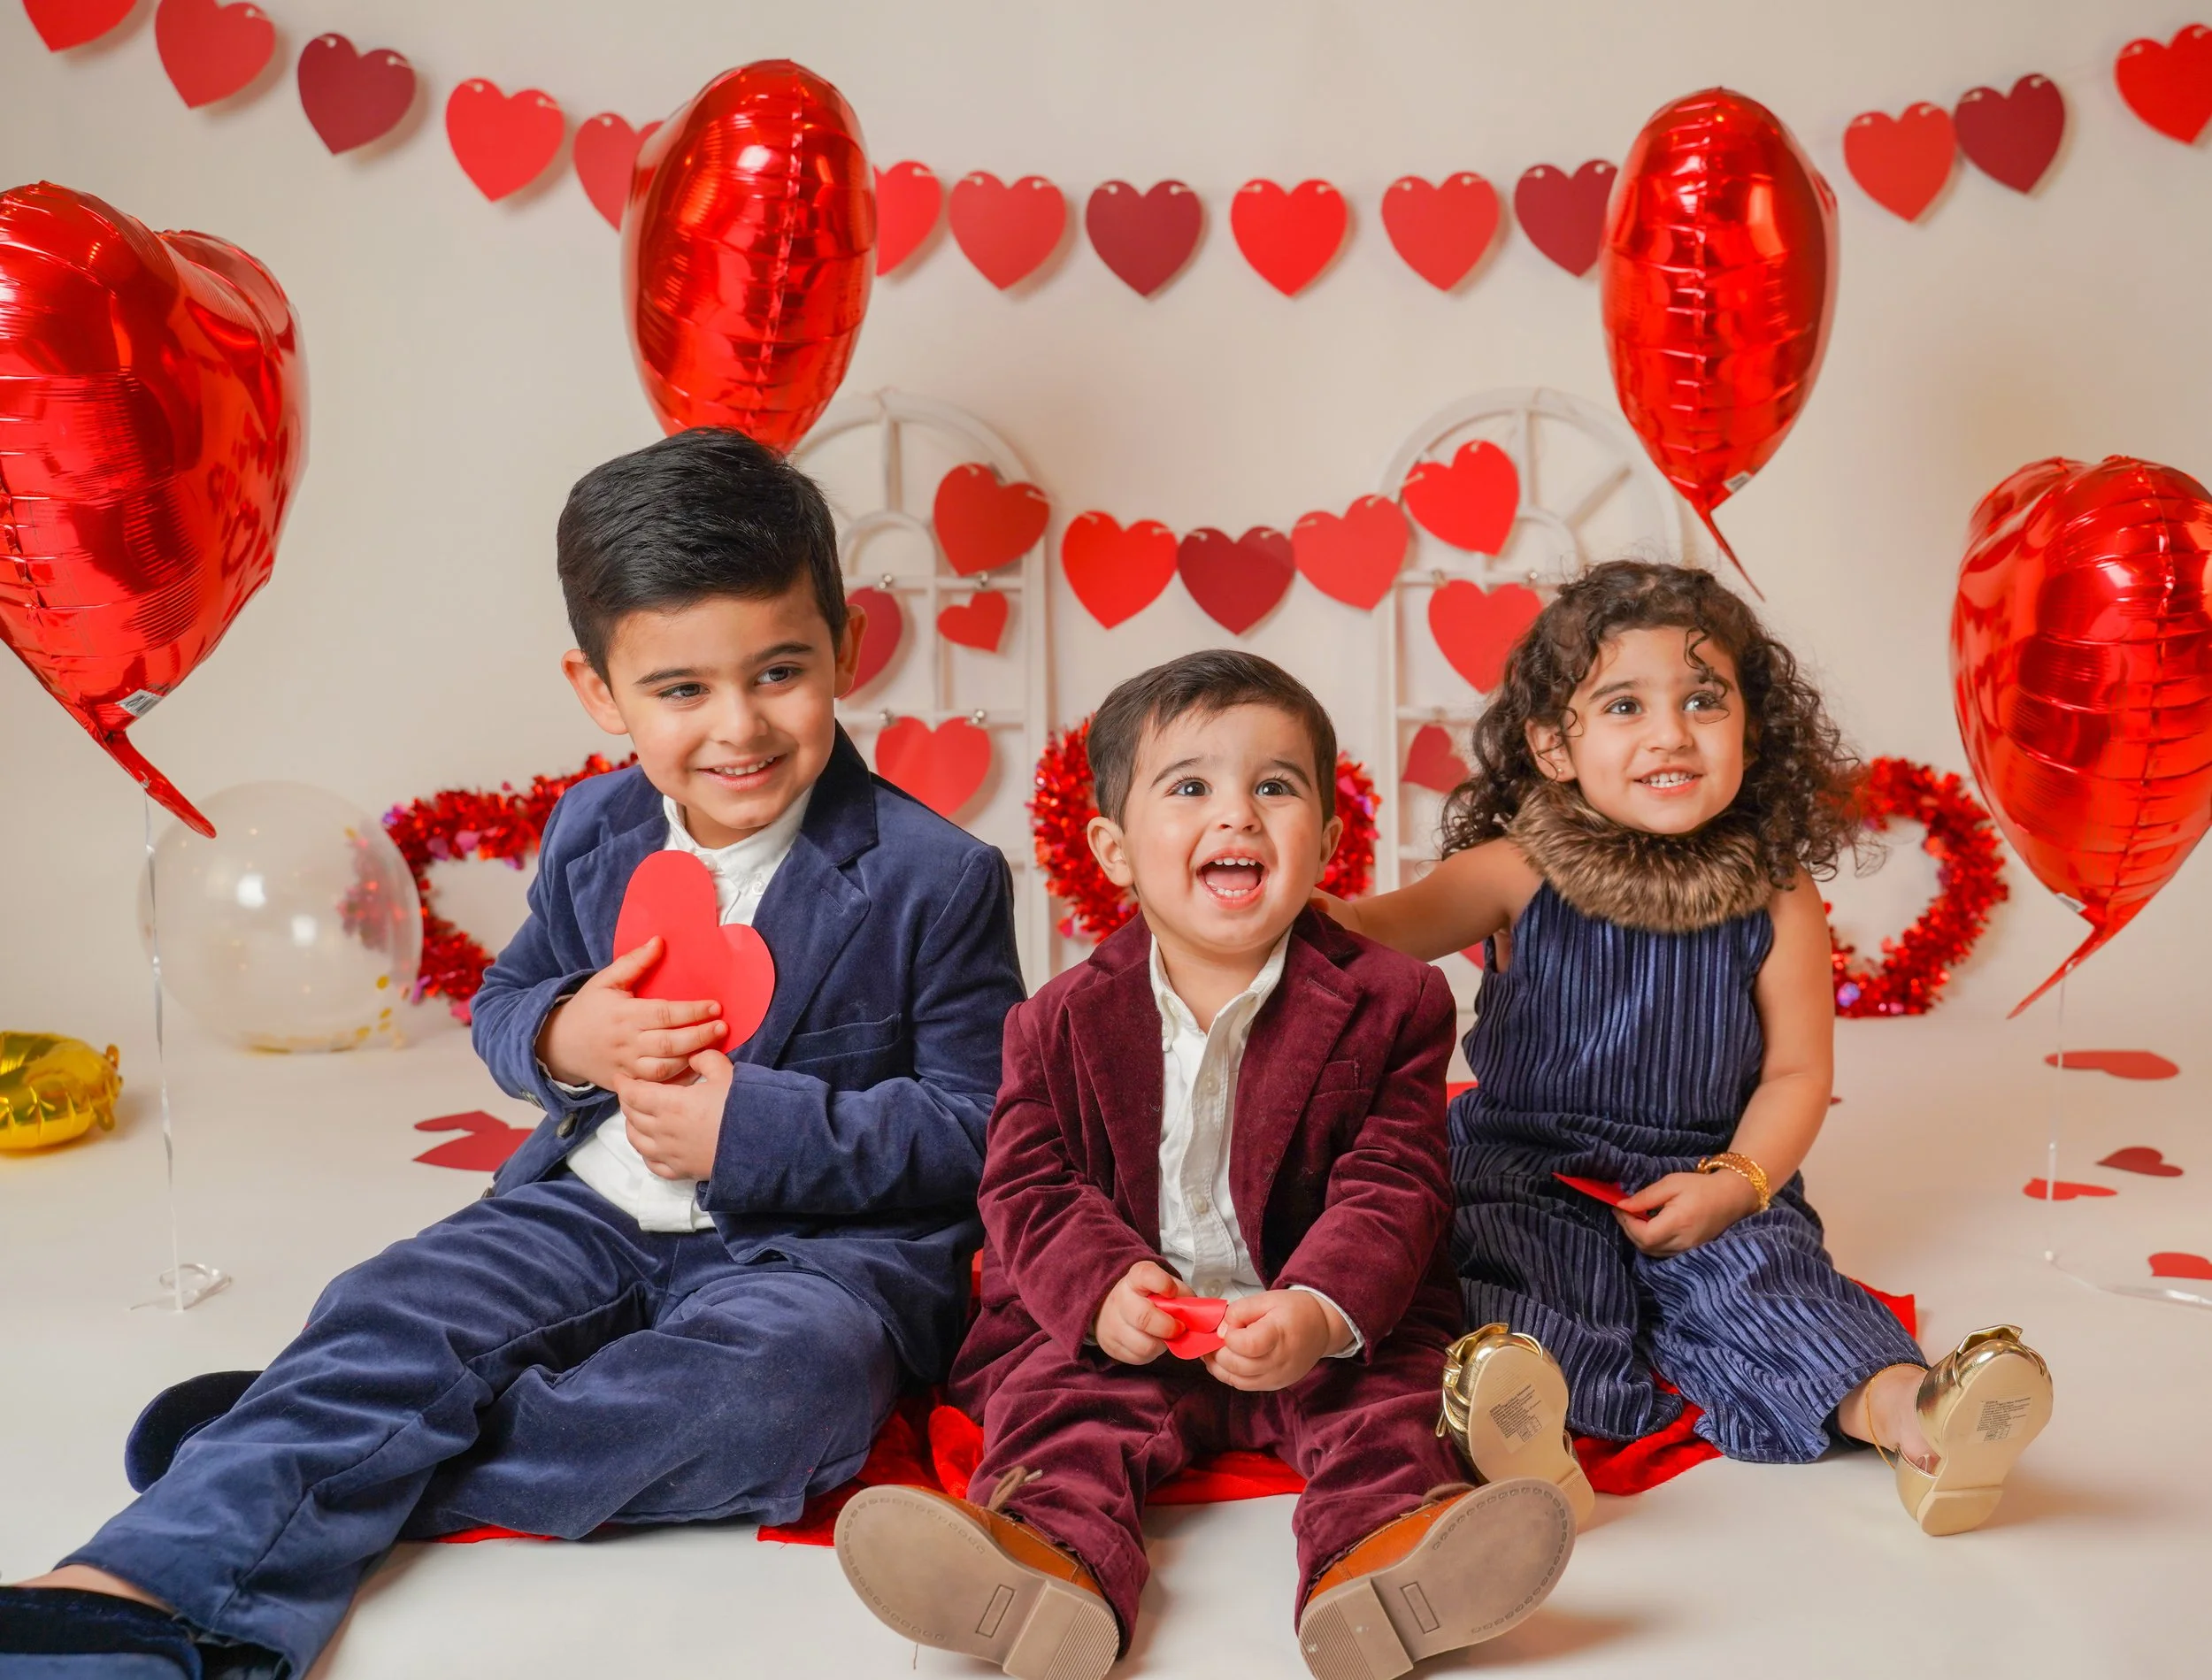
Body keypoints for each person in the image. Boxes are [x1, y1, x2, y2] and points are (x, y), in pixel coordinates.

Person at [0, 428, 1025, 1678]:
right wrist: (561, 1031)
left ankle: (330, 1453)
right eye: (681, 690)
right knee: (387, 1303)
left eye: (780, 671)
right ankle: (130, 1595)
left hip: (814, 1257)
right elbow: (506, 998)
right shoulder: (594, 827)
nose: (739, 725)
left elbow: (982, 1120)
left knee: (781, 1401)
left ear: (846, 648)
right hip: (586, 1208)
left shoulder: (938, 876)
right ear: (599, 691)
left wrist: (750, 1128)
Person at [833, 652, 1577, 1680]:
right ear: (1114, 849)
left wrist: (1317, 1308)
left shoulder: (1394, 1000)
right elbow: (1027, 1185)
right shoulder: (1055, 1022)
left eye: (1275, 787)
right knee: (1060, 1416)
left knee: (1386, 1415)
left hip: (1310, 1319)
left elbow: (1395, 1180)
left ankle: (1385, 1562)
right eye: (1189, 788)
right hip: (1128, 1330)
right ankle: (1043, 1568)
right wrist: (1102, 1290)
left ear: (1327, 839)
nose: (1237, 815)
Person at [1321, 559, 2052, 1537]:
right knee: (1513, 1284)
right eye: (1624, 705)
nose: (1671, 733)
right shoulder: (1515, 872)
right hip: (1526, 1167)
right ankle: (1526, 1435)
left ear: (1752, 727)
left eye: (1703, 700)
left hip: (1706, 1167)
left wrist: (1738, 1184)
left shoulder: (1774, 891)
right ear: (1552, 745)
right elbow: (1368, 933)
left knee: (1767, 1284)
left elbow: (1796, 1072)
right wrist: (1269, 892)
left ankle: (1916, 1419)